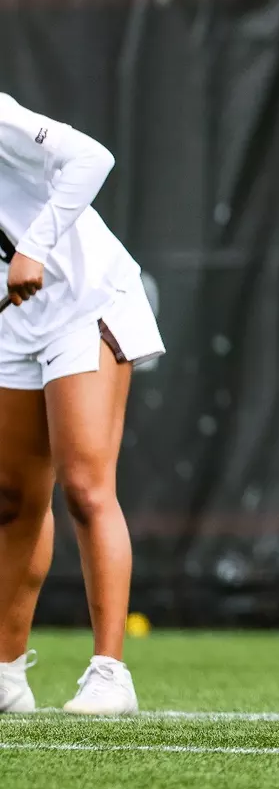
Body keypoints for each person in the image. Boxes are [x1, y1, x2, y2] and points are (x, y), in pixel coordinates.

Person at [0, 94, 164, 715]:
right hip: (15, 321)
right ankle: (5, 677)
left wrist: (34, 247)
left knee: (85, 487)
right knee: (12, 498)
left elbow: (92, 157)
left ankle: (109, 675)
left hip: (84, 303)